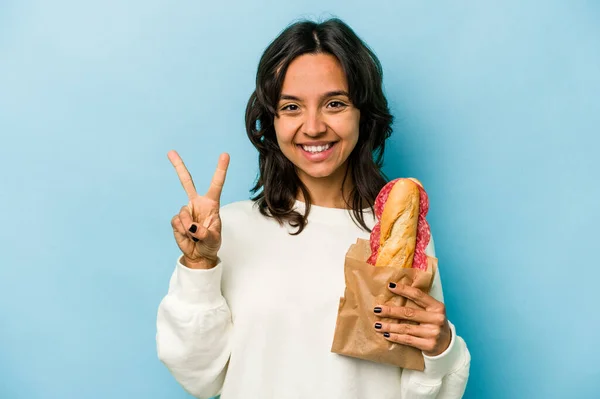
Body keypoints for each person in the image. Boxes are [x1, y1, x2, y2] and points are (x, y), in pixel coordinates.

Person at [156, 18, 471, 399]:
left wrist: (440, 349)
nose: (313, 126)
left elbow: (420, 390)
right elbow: (199, 377)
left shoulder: (396, 235)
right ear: (271, 122)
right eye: (291, 107)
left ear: (363, 114)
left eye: (334, 104)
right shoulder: (230, 230)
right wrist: (201, 265)